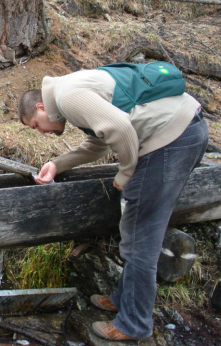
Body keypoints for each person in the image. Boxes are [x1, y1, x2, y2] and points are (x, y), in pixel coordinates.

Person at [18, 67, 208, 341]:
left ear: (40, 106)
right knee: (135, 227)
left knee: (141, 233)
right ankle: (123, 298)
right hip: (183, 128)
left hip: (170, 139)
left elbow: (121, 129)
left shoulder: (67, 98)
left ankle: (133, 324)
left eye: (36, 125)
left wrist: (126, 172)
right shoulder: (69, 91)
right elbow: (99, 144)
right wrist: (57, 164)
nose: (42, 132)